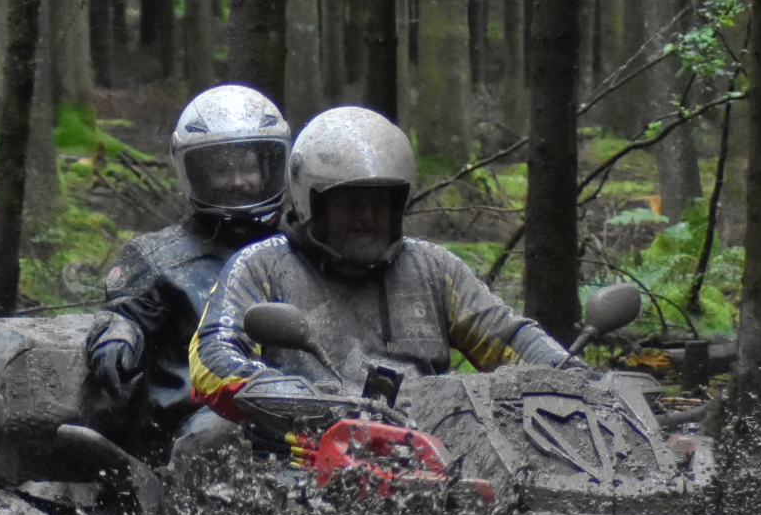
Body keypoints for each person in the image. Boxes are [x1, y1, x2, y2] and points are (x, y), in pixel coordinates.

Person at [190, 106, 577, 431]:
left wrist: (572, 376)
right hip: (302, 445)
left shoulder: (433, 267)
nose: (367, 216)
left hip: (433, 444)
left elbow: (508, 335)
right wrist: (282, 394)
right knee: (208, 434)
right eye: (351, 203)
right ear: (313, 203)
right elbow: (213, 354)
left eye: (380, 202)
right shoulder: (262, 265)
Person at [84, 84, 290, 464]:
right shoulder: (159, 256)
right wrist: (117, 335)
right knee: (219, 434)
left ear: (269, 168)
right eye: (222, 170)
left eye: (248, 167)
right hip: (195, 425)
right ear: (195, 173)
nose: (238, 181)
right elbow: (124, 313)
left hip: (296, 411)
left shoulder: (299, 250)